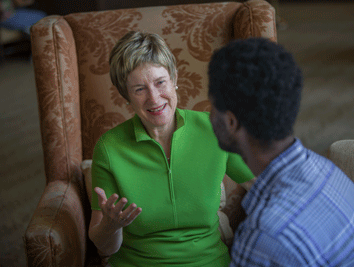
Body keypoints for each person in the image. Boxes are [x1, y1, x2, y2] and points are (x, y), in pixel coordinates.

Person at [207, 37, 354, 266]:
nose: (210, 114)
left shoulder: (264, 238)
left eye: (212, 104)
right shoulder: (328, 171)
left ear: (232, 122)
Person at [88, 31, 255, 267]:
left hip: (208, 262)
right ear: (125, 95)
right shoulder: (109, 148)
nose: (154, 99)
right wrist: (110, 226)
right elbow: (105, 247)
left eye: (160, 82)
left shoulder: (215, 129)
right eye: (139, 89)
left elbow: (265, 183)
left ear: (174, 78)